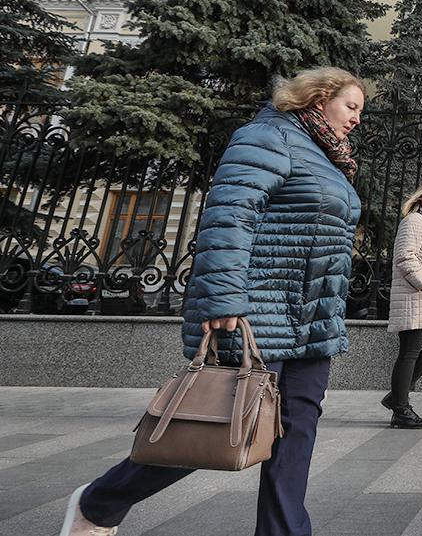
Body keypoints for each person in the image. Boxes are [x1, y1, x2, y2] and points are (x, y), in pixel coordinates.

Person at [60, 67, 370, 536]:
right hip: (259, 313)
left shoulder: (328, 156)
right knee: (212, 430)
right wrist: (223, 298)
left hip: (314, 319)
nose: (357, 119)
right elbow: (229, 218)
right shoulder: (267, 137)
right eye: (352, 106)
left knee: (296, 436)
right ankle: (98, 502)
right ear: (318, 97)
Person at [381, 180, 422, 429]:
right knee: (409, 351)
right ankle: (400, 409)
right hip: (414, 297)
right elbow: (405, 257)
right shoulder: (413, 222)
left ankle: (396, 396)